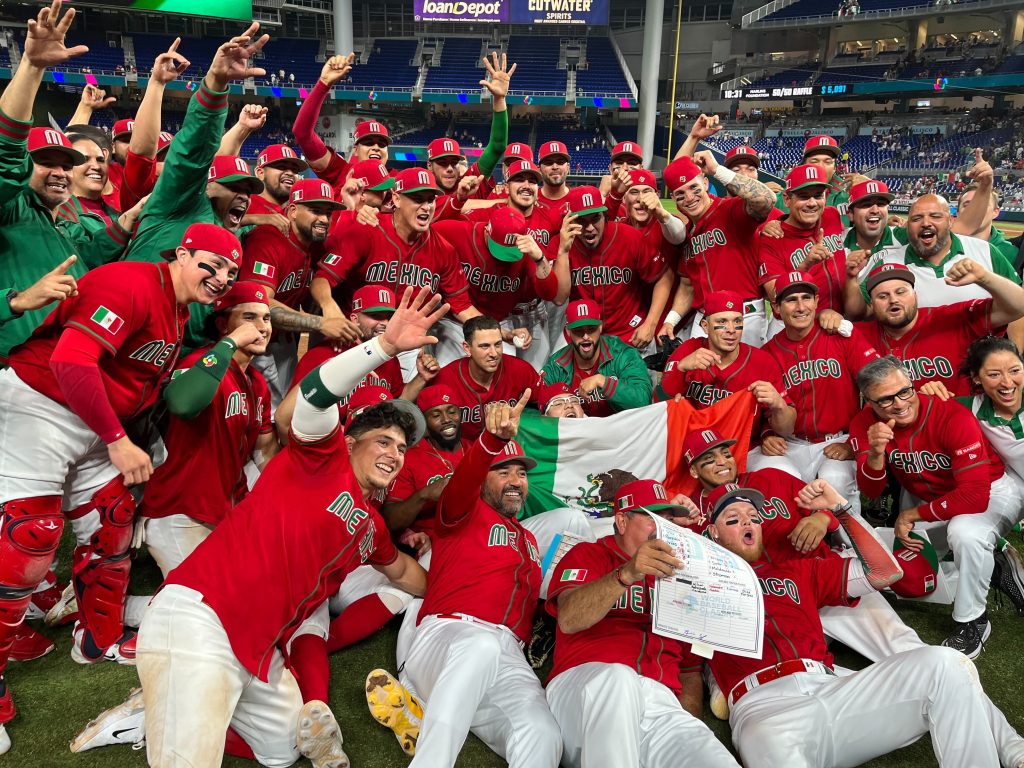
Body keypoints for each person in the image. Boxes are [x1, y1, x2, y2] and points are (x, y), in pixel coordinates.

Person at [135, 287, 440, 768]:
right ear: (352, 440)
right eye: (383, 441)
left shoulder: (370, 526)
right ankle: (155, 710)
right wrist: (382, 349)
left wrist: (449, 597)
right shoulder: (319, 455)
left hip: (256, 649)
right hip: (203, 619)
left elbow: (402, 572)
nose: (394, 455)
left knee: (282, 748)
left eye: (402, 450)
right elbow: (317, 394)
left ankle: (174, 703)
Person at [0, 222, 243, 752]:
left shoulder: (179, 309)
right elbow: (70, 361)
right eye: (213, 263)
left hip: (92, 419)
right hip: (40, 403)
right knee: (29, 538)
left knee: (112, 519)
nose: (222, 277)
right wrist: (117, 439)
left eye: (231, 271)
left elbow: (135, 381)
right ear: (183, 253)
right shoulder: (129, 283)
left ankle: (98, 637)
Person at [704, 480, 1024, 768]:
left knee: (946, 663)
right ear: (712, 533)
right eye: (733, 518)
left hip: (830, 688)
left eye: (753, 516)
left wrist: (840, 510)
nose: (747, 521)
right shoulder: (699, 585)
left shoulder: (795, 571)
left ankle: (1010, 749)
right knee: (765, 741)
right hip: (765, 713)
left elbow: (886, 572)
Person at [397, 390, 564, 768]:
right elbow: (461, 482)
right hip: (447, 639)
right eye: (503, 471)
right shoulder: (461, 512)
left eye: (521, 474)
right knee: (481, 646)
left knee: (543, 733)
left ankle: (434, 706)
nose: (515, 480)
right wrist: (491, 442)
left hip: (507, 655)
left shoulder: (530, 540)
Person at [545, 479, 740, 768]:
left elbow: (688, 671)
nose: (665, 526)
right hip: (585, 690)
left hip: (660, 701)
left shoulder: (681, 577)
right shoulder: (588, 554)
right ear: (622, 521)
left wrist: (685, 721)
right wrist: (627, 573)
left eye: (669, 518)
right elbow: (570, 619)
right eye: (653, 518)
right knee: (619, 679)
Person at [850, 355, 1024, 658]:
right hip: (930, 499)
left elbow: (974, 496)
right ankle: (994, 566)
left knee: (966, 534)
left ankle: (972, 621)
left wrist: (911, 515)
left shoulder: (951, 415)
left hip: (991, 490)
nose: (900, 403)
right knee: (904, 580)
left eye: (905, 391)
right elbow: (871, 489)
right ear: (869, 402)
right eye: (886, 399)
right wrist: (876, 453)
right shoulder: (864, 422)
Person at [0, 0, 142, 361]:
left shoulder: (60, 223)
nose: (61, 173)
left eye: (67, 166)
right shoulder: (11, 208)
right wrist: (32, 67)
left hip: (60, 365)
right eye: (46, 163)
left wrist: (129, 218)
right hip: (13, 368)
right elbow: (7, 154)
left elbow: (89, 253)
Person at [311, 167, 484, 376]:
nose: (426, 207)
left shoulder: (443, 250)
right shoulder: (368, 230)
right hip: (358, 337)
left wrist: (495, 331)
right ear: (397, 198)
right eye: (417, 198)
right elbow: (323, 278)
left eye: (430, 200)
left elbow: (461, 305)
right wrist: (329, 306)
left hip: (406, 343)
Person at [756, 270, 880, 509]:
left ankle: (851, 546)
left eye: (806, 297)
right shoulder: (767, 354)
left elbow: (879, 388)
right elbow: (763, 409)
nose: (801, 307)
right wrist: (767, 434)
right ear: (777, 308)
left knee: (833, 482)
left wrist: (855, 441)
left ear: (816, 302)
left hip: (838, 439)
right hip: (790, 443)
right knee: (775, 481)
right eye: (791, 300)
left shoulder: (842, 336)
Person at [240, 177, 349, 405]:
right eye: (315, 210)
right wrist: (320, 323)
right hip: (251, 341)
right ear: (292, 211)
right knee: (263, 418)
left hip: (282, 339)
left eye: (328, 213)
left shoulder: (314, 244)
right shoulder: (267, 240)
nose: (324, 219)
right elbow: (259, 305)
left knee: (285, 409)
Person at [855, 259, 1024, 396]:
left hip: (960, 429)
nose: (893, 300)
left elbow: (1017, 307)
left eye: (901, 292)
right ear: (872, 304)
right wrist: (829, 315)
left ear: (915, 296)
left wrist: (984, 277)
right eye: (883, 296)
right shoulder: (858, 335)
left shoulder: (952, 319)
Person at [658, 153, 777, 346]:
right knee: (698, 374)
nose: (689, 198)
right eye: (680, 194)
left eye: (694, 188)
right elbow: (688, 286)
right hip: (704, 317)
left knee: (745, 374)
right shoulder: (687, 233)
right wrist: (670, 321)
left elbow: (766, 199)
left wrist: (717, 170)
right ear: (673, 198)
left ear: (706, 183)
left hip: (744, 316)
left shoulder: (730, 210)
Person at [657, 291, 797, 451]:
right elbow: (658, 405)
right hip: (694, 450)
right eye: (722, 322)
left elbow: (787, 429)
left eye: (737, 321)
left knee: (783, 471)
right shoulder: (686, 351)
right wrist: (680, 370)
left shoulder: (762, 362)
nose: (731, 329)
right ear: (705, 326)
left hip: (747, 448)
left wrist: (779, 407)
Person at [431, 201, 563, 366]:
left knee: (501, 375)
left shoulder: (525, 250)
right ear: (487, 230)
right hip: (454, 322)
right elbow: (426, 231)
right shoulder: (459, 232)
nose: (503, 257)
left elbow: (550, 293)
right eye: (500, 247)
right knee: (446, 371)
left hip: (498, 322)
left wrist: (539, 259)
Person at [957, 335, 1024, 613]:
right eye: (994, 374)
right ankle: (998, 556)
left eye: (1015, 370)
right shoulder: (969, 408)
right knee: (966, 532)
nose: (1007, 383)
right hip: (1014, 486)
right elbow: (910, 408)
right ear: (976, 379)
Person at [562, 185, 671, 352]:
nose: (590, 227)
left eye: (595, 218)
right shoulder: (563, 245)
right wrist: (562, 251)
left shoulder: (631, 237)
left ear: (605, 216)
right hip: (584, 338)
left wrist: (651, 323)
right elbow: (557, 298)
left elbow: (664, 276)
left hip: (631, 334)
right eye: (581, 220)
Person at [427, 315, 540, 441]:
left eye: (497, 345)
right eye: (484, 346)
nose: (494, 353)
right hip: (464, 453)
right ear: (467, 348)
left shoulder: (520, 369)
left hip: (508, 449)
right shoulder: (446, 379)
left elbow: (548, 400)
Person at [758, 164, 847, 313]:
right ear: (787, 200)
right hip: (802, 325)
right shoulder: (772, 239)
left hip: (843, 319)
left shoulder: (832, 215)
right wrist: (805, 265)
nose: (812, 203)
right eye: (803, 196)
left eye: (818, 195)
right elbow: (774, 295)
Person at [541, 299, 652, 416]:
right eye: (578, 330)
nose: (585, 336)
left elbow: (644, 400)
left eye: (591, 329)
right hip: (578, 431)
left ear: (600, 327)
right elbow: (535, 405)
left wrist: (603, 382)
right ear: (568, 332)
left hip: (620, 430)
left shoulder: (623, 354)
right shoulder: (556, 364)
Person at [248, 142, 309, 221]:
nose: (290, 173)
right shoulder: (245, 206)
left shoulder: (300, 212)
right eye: (281, 167)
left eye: (295, 170)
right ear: (260, 173)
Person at [536, 140, 571, 209]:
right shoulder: (529, 201)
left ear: (568, 168)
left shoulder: (578, 199)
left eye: (560, 162)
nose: (555, 167)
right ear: (539, 169)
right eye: (548, 163)